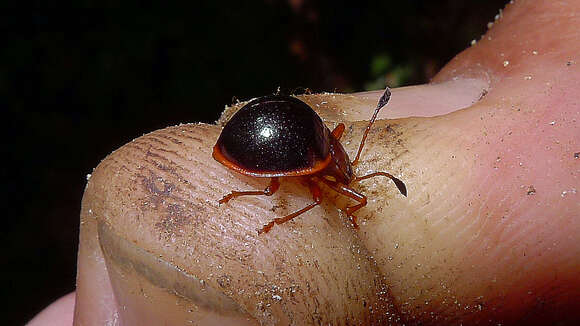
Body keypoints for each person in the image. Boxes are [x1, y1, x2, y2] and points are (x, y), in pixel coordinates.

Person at [28, 0, 580, 324]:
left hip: (276, 133)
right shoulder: (323, 158)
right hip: (264, 145)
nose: (350, 179)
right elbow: (317, 151)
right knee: (274, 195)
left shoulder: (330, 146)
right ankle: (249, 201)